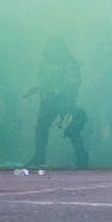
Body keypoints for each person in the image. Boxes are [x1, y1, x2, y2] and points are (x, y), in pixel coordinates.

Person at [27, 37, 88, 168]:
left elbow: (74, 81)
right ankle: (39, 156)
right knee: (41, 127)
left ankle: (82, 156)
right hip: (49, 99)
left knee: (71, 127)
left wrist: (64, 92)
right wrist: (40, 89)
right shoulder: (47, 60)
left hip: (64, 100)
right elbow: (42, 78)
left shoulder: (69, 62)